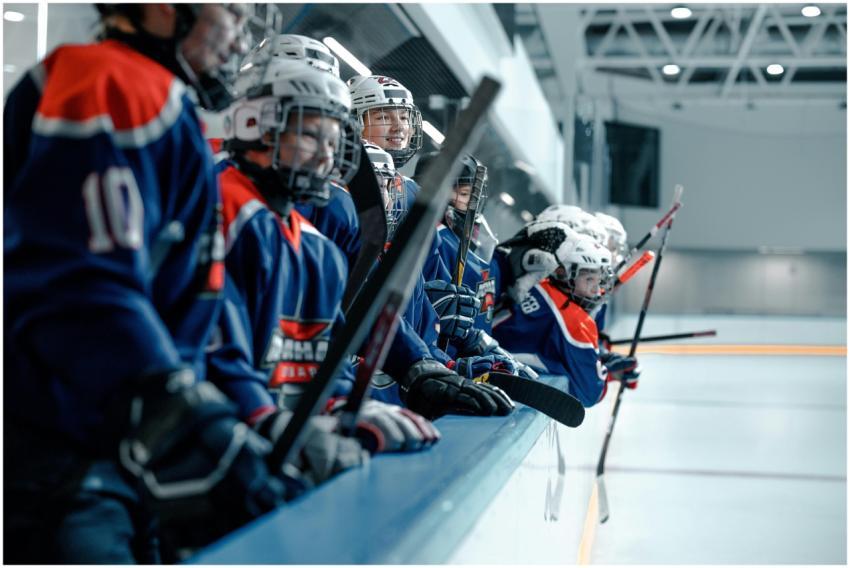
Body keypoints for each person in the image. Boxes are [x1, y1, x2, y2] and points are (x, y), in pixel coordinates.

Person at [4, 4, 291, 563]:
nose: (239, 33)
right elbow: (83, 291)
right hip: (71, 463)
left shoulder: (163, 102)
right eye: (230, 8)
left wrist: (240, 417)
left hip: (126, 460)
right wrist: (192, 418)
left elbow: (177, 311)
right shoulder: (107, 81)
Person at [492, 228, 632, 407]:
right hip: (491, 373)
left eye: (599, 281)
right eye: (589, 279)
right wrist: (608, 372)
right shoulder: (574, 321)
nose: (596, 291)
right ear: (562, 272)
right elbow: (589, 393)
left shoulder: (537, 284)